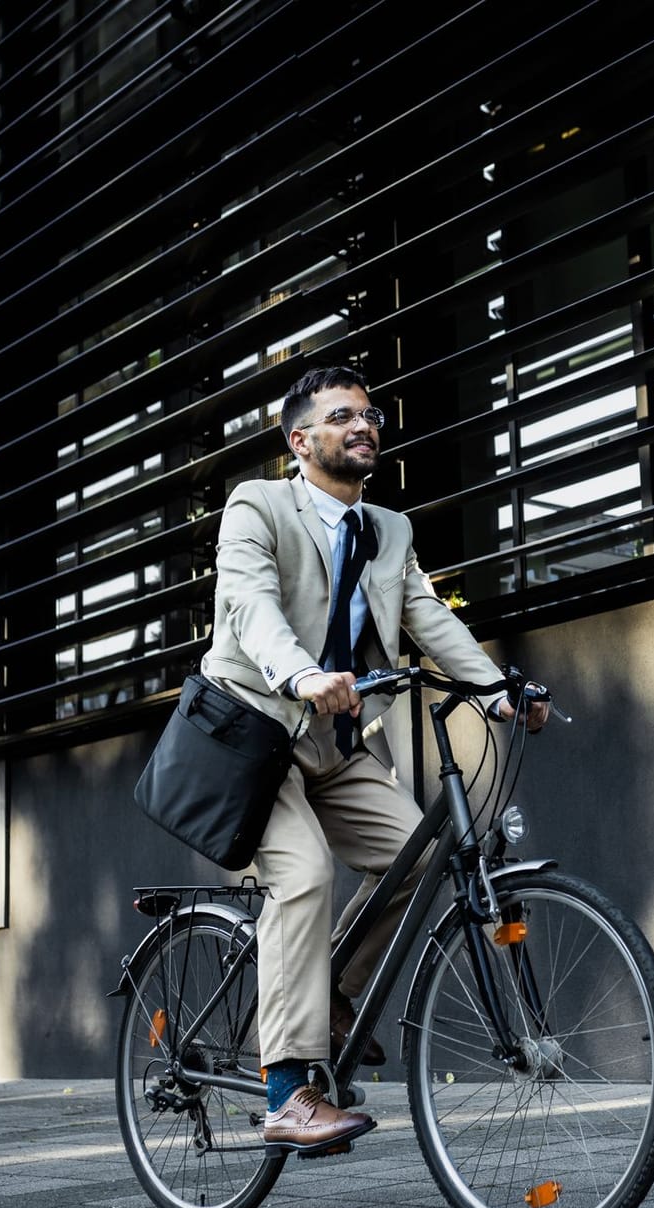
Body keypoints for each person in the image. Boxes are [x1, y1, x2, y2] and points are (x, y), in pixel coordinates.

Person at [200, 364, 548, 1153]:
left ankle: (326, 1000)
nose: (365, 425)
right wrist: (303, 673)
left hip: (337, 741)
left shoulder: (390, 530)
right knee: (305, 875)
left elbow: (427, 616)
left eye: (371, 413)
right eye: (343, 415)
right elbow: (249, 605)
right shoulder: (257, 506)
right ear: (300, 440)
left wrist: (497, 691)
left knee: (424, 856)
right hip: (257, 732)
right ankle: (288, 1091)